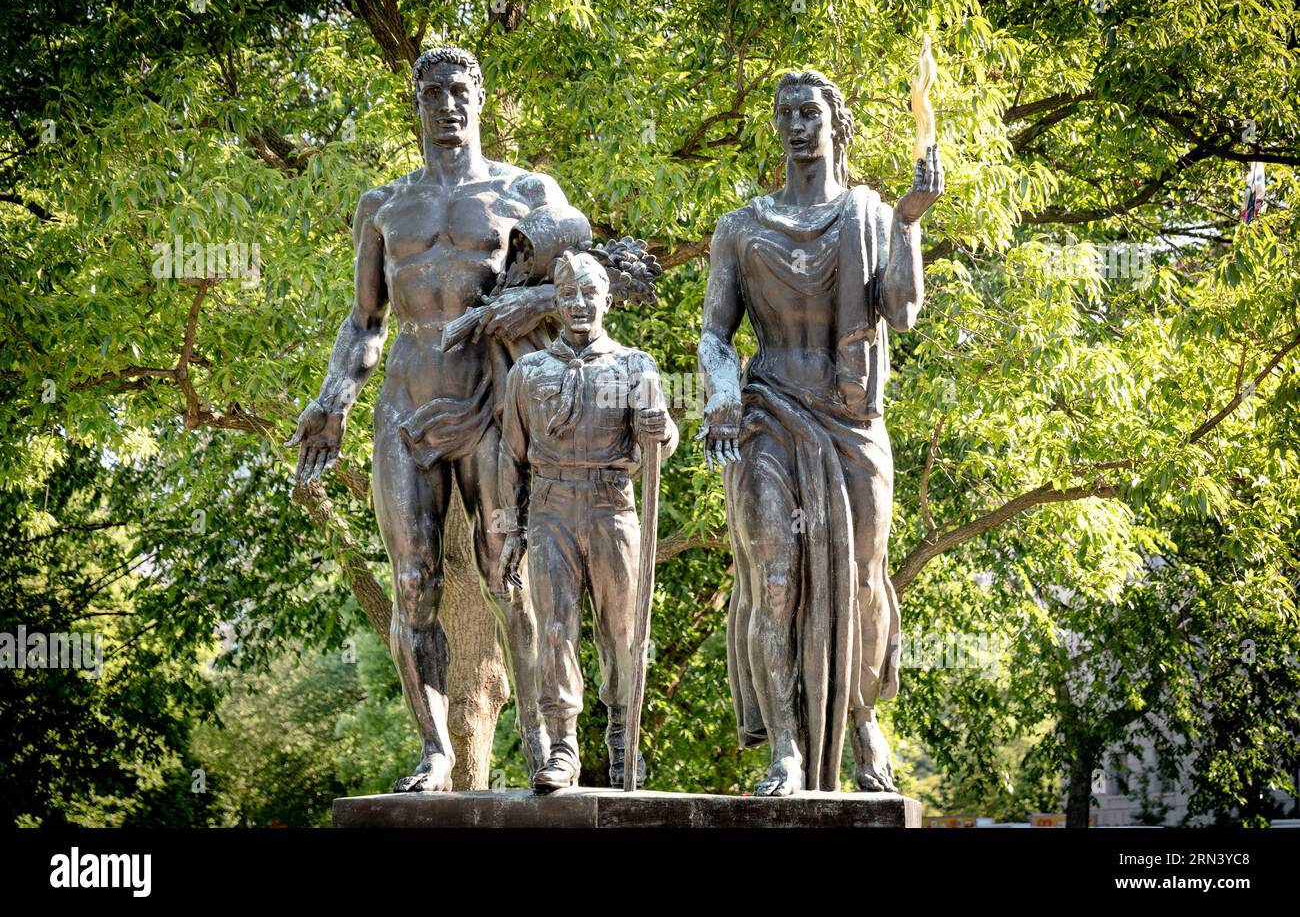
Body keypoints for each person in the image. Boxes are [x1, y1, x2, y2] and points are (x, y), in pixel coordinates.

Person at [287, 46, 591, 792]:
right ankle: (434, 750)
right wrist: (332, 400)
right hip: (403, 410)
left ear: (480, 96)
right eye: (433, 93)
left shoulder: (525, 191)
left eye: (460, 90)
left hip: (491, 408)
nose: (447, 105)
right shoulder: (384, 206)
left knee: (510, 574)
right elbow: (365, 322)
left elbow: (591, 279)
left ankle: (549, 740)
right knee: (414, 580)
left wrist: (538, 302)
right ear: (415, 102)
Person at [697, 69, 944, 795]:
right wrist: (719, 399)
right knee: (774, 579)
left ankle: (860, 712)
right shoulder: (740, 229)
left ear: (836, 123)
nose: (797, 124)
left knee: (864, 580)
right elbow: (714, 335)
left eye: (810, 112)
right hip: (769, 416)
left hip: (851, 423)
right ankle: (784, 748)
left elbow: (900, 312)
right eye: (786, 114)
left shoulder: (869, 214)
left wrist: (909, 222)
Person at [498, 250, 678, 792]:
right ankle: (562, 747)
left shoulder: (634, 366)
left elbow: (662, 445)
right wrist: (510, 529)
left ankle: (624, 738)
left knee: (622, 631)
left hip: (612, 506)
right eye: (568, 295)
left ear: (607, 299)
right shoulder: (527, 372)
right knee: (554, 630)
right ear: (555, 303)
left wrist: (662, 427)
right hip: (550, 511)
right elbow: (509, 457)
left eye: (588, 294)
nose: (579, 304)